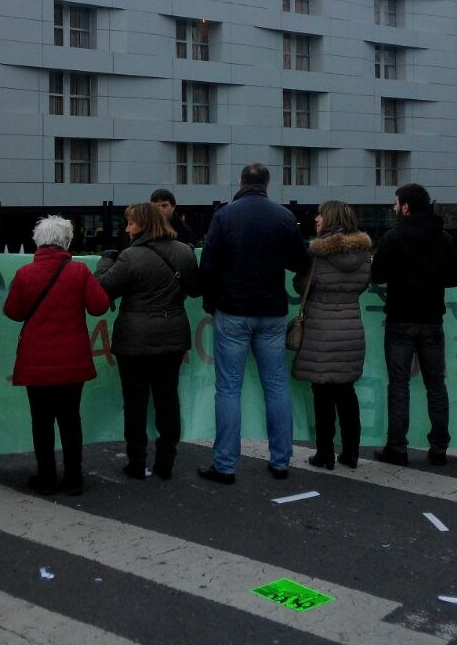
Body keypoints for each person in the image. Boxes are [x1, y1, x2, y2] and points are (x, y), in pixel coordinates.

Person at [197, 163, 310, 484]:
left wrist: (211, 300)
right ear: (267, 184)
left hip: (232, 309)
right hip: (272, 310)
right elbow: (301, 261)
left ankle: (225, 465)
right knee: (276, 386)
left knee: (229, 388)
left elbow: (209, 264)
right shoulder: (284, 217)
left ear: (241, 182)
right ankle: (280, 460)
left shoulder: (224, 215)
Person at [4, 216, 110, 496]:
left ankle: (46, 476)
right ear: (67, 241)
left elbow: (13, 312)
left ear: (37, 241)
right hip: (72, 360)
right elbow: (100, 306)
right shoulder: (79, 271)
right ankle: (74, 478)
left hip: (35, 361)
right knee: (70, 419)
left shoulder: (25, 274)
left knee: (41, 421)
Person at [95, 202, 200, 480]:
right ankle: (166, 461)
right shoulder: (184, 252)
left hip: (135, 338)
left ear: (142, 224)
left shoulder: (130, 256)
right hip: (173, 335)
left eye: (130, 223)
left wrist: (106, 260)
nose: (127, 228)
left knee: (136, 400)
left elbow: (102, 288)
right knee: (167, 398)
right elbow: (195, 288)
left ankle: (137, 462)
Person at [369, 183, 457, 468]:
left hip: (400, 319)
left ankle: (397, 447)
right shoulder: (443, 238)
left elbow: (378, 275)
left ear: (406, 207)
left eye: (396, 203)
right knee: (436, 385)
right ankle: (439, 448)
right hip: (432, 319)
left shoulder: (393, 237)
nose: (394, 208)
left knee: (399, 386)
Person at [292, 200, 372, 470]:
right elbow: (363, 285)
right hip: (351, 328)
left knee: (322, 393)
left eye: (320, 216)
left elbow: (301, 285)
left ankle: (324, 454)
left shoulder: (316, 254)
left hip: (320, 329)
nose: (316, 219)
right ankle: (351, 453)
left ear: (331, 220)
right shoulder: (364, 254)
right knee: (347, 392)